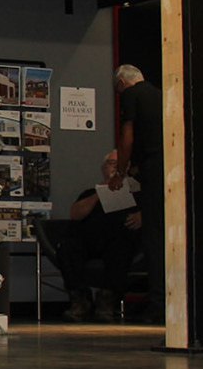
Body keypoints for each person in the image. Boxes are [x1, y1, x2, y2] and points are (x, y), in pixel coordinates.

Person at [59, 150, 141, 322]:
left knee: (121, 247)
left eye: (120, 164)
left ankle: (107, 300)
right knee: (68, 246)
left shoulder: (138, 194)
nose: (115, 167)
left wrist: (142, 216)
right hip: (90, 241)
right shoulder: (90, 193)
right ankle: (80, 299)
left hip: (118, 241)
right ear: (104, 169)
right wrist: (102, 191)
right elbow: (75, 214)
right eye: (111, 163)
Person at [112, 63, 164, 321]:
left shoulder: (132, 95)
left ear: (122, 84)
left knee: (154, 238)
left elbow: (128, 136)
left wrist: (120, 172)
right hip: (170, 165)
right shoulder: (161, 94)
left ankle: (158, 305)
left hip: (153, 168)